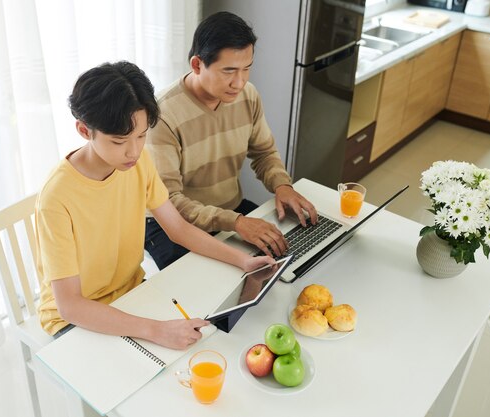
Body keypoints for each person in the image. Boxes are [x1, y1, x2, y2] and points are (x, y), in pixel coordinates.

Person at [35, 61, 273, 350]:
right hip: (76, 318)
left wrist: (242, 261)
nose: (134, 151)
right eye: (119, 141)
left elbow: (177, 228)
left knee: (203, 349)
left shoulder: (136, 162)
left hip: (130, 293)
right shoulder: (56, 199)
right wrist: (155, 330)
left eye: (141, 135)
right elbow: (70, 305)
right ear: (85, 131)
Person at [145, 11, 317, 270]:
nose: (239, 82)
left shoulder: (247, 96)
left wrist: (283, 186)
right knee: (210, 292)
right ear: (196, 65)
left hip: (229, 210)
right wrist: (237, 222)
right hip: (171, 224)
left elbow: (264, 152)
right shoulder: (162, 115)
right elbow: (171, 202)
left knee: (289, 261)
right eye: (229, 71)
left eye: (247, 68)